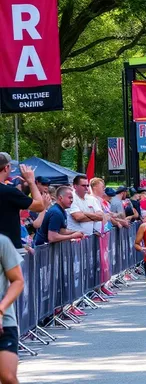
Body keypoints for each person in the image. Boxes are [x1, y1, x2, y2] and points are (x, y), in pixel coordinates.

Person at [0, 154, 45, 251]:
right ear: (6, 167)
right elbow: (40, 206)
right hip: (8, 251)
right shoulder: (9, 192)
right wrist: (31, 182)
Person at [0, 234, 25, 384]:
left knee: (8, 376)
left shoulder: (2, 242)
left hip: (4, 322)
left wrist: (1, 309)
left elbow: (18, 281)